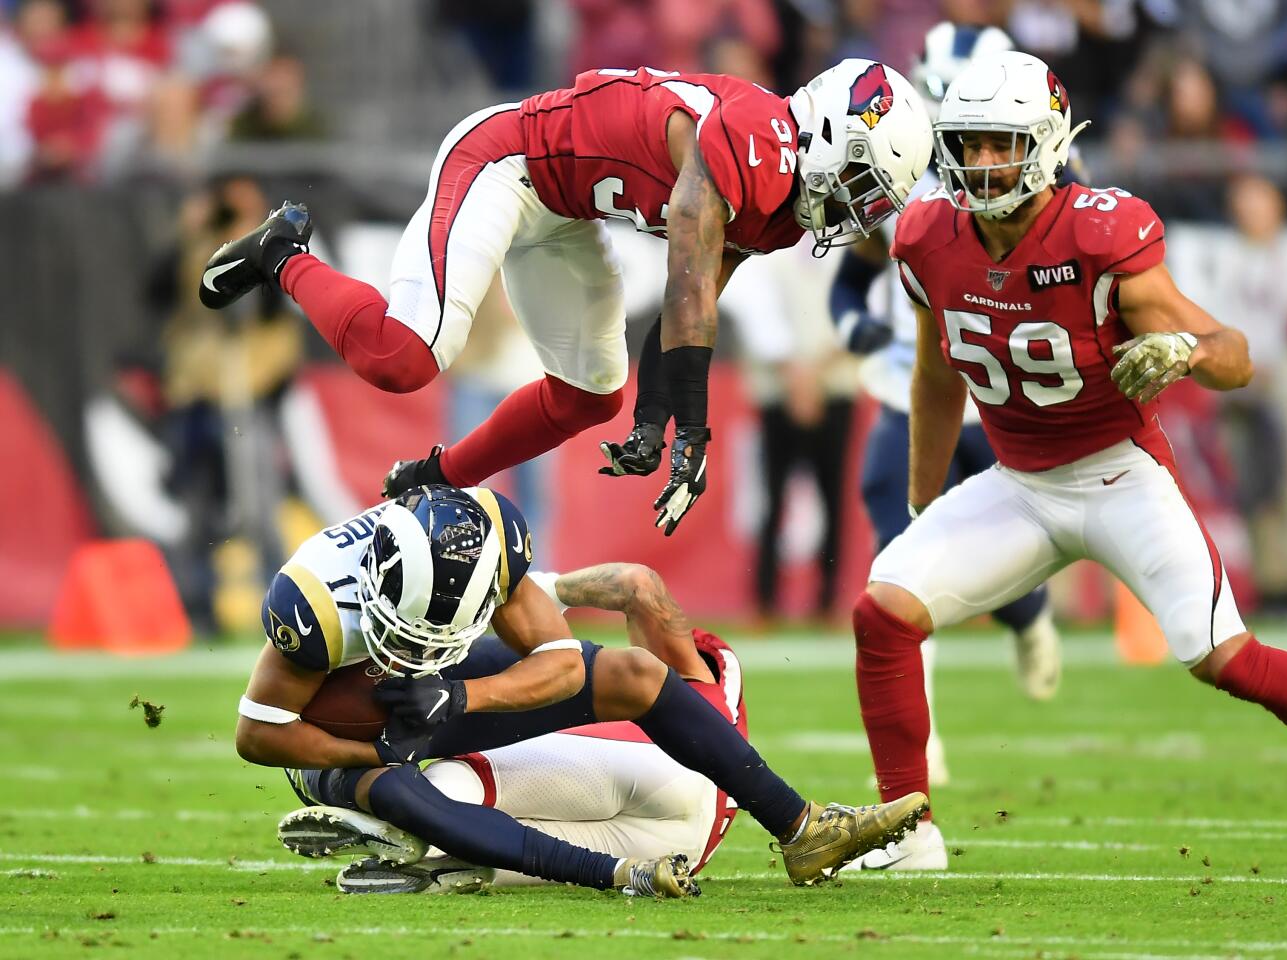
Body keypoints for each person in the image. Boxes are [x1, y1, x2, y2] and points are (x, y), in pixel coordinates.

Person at [849, 50, 1287, 873]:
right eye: (968, 143)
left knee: (1224, 657)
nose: (980, 163)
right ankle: (908, 836)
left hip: (1119, 475)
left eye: (999, 144)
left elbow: (1237, 356)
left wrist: (1184, 349)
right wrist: (920, 500)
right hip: (1017, 485)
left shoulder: (1096, 229)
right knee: (883, 613)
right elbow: (937, 371)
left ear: (1045, 143)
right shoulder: (925, 237)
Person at [196, 61, 933, 536]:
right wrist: (692, 436)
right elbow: (684, 277)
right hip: (506, 162)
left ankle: (432, 479)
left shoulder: (775, 210)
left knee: (590, 396)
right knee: (402, 356)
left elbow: (695, 293)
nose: (853, 212)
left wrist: (653, 421)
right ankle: (282, 253)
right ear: (835, 135)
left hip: (566, 214)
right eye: (861, 186)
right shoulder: (754, 137)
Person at [235, 484, 928, 897]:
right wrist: (366, 755)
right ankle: (611, 870)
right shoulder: (317, 603)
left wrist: (463, 699)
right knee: (406, 788)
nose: (415, 647)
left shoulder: (491, 544)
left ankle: (801, 827)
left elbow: (562, 664)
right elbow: (260, 731)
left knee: (632, 674)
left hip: (441, 691)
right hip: (335, 732)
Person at [828, 23, 1061, 801]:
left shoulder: (1051, 193)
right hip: (908, 395)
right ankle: (916, 757)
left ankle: (1028, 619)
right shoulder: (899, 177)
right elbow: (849, 278)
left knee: (1003, 575)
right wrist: (850, 326)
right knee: (896, 565)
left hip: (998, 403)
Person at [285, 561, 750, 894]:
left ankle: (368, 807)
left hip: (645, 768)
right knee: (503, 848)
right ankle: (437, 867)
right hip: (691, 843)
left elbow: (638, 583)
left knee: (451, 787)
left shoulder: (672, 684)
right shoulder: (719, 704)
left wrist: (546, 590)